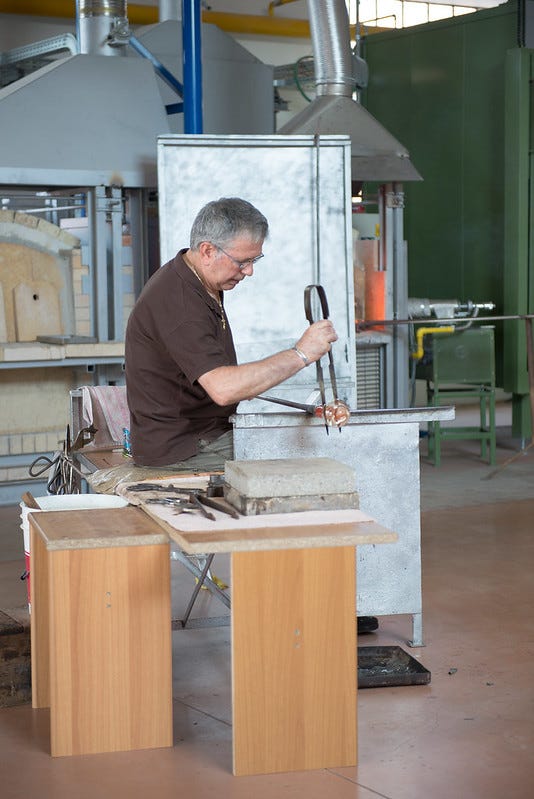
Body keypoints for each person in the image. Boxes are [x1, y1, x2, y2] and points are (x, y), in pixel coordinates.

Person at [125, 197, 338, 471]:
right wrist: (301, 354)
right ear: (207, 251)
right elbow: (224, 389)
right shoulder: (179, 304)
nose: (248, 271)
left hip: (205, 436)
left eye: (254, 260)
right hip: (183, 451)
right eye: (242, 262)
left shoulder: (200, 281)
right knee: (303, 464)